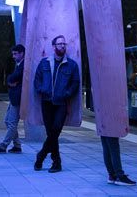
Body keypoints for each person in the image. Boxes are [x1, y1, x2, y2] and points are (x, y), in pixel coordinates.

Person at [33, 35, 80, 173]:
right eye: (60, 44)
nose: (63, 46)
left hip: (61, 103)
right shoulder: (44, 63)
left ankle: (41, 155)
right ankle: (56, 162)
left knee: (56, 130)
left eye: (64, 44)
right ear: (53, 47)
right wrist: (42, 90)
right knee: (50, 132)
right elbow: (37, 80)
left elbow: (75, 83)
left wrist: (67, 93)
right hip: (46, 102)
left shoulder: (72, 65)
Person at [0, 44, 25, 154]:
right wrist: (11, 81)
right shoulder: (19, 65)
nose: (13, 56)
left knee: (12, 123)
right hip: (14, 97)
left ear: (21, 53)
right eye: (13, 54)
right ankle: (17, 145)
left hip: (18, 98)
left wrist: (11, 80)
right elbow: (11, 80)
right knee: (7, 121)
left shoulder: (24, 65)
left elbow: (12, 78)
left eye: (15, 54)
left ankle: (3, 146)